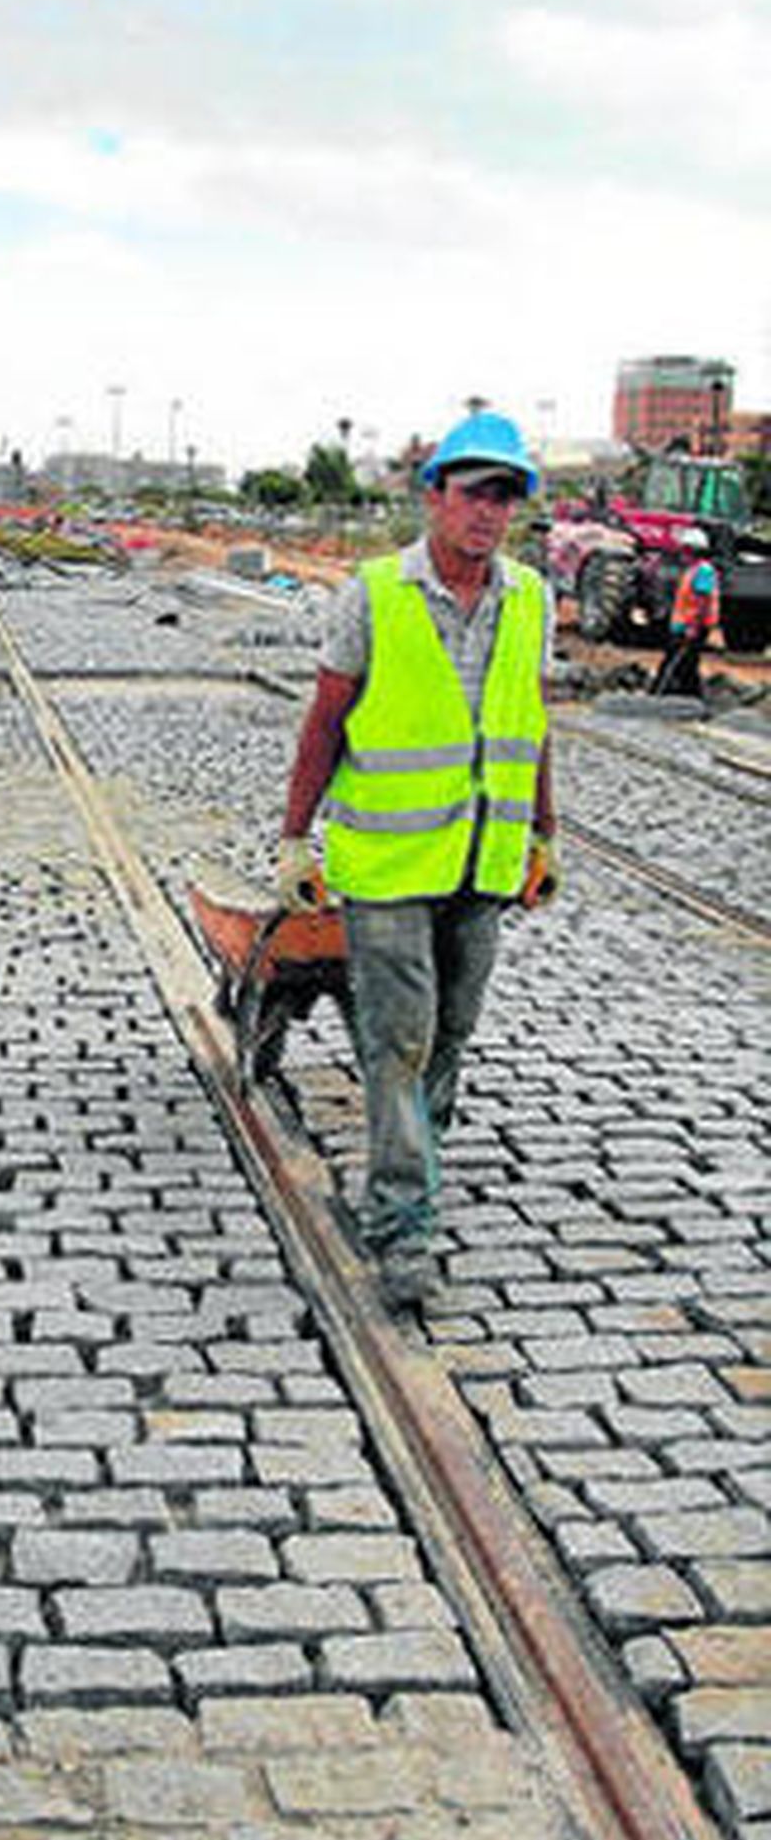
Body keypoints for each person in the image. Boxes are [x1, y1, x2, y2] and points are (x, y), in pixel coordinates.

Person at [277, 408, 561, 1311]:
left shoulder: (531, 598)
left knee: (448, 1040)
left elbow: (534, 721)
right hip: (390, 865)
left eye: (505, 495)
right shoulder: (372, 593)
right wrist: (295, 837)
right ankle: (404, 1226)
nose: (489, 510)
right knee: (398, 1043)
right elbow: (324, 721)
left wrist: (544, 834)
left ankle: (410, 1171)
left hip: (483, 865)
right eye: (475, 491)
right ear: (434, 496)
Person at [650, 528, 718, 700]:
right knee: (686, 665)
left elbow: (703, 600)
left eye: (684, 549)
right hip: (682, 625)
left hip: (691, 626)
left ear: (691, 550)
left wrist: (693, 627)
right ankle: (691, 696)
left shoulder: (704, 571)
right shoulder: (691, 570)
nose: (681, 553)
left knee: (676, 662)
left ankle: (658, 694)